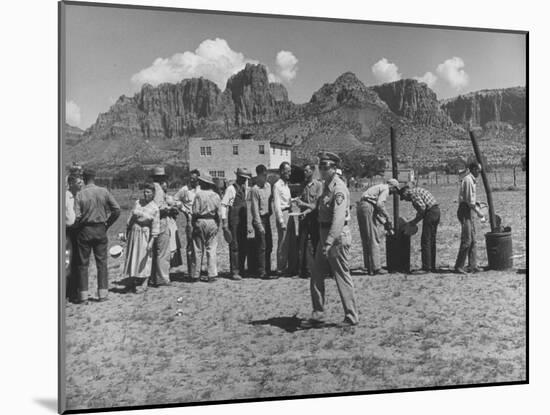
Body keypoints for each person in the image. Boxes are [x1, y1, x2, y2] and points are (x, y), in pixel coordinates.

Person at [306, 152, 359, 327]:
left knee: (341, 276)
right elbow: (320, 207)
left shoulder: (339, 188)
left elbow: (338, 218)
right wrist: (307, 207)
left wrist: (328, 242)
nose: (322, 170)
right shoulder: (325, 186)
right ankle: (318, 313)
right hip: (325, 235)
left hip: (335, 237)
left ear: (334, 168)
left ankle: (351, 316)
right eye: (320, 166)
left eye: (326, 166)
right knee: (316, 274)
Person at [74, 168, 121, 304]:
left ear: (83, 178)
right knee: (102, 263)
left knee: (83, 265)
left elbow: (77, 217)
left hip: (85, 231)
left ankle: (83, 297)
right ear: (95, 177)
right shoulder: (103, 191)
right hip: (101, 229)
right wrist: (107, 224)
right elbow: (117, 210)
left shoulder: (80, 195)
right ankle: (103, 294)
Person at [356, 178, 400, 275]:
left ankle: (369, 266)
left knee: (366, 238)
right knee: (373, 237)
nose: (394, 193)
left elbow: (375, 212)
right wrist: (388, 217)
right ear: (392, 187)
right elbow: (380, 205)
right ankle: (376, 268)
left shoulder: (377, 188)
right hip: (367, 207)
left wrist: (384, 222)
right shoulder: (385, 189)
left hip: (361, 207)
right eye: (395, 190)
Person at [123, 183, 160, 292]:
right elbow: (130, 218)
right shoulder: (138, 203)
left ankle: (144, 282)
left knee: (145, 257)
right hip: (134, 233)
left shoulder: (155, 208)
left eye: (148, 192)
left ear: (153, 194)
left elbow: (155, 226)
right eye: (144, 191)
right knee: (133, 255)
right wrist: (127, 231)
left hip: (145, 234)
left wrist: (151, 241)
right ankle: (133, 279)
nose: (145, 194)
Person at [400, 185, 440, 273]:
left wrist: (414, 222)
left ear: (405, 192)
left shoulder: (413, 194)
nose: (406, 200)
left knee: (425, 240)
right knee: (431, 240)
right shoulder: (417, 191)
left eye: (404, 197)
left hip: (430, 213)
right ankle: (431, 265)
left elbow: (422, 209)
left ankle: (426, 267)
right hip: (436, 211)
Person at [221, 168, 252, 280]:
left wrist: (247, 224)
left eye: (245, 179)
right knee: (235, 246)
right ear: (238, 177)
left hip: (242, 221)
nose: (244, 181)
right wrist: (224, 223)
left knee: (243, 245)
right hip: (234, 221)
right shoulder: (230, 189)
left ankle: (242, 269)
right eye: (243, 178)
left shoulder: (244, 189)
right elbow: (224, 205)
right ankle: (234, 271)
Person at [455, 162, 485, 274]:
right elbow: (468, 200)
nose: (479, 173)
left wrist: (476, 206)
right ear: (473, 169)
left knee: (473, 239)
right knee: (467, 240)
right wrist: (479, 212)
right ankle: (459, 266)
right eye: (478, 170)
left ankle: (473, 265)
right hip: (465, 210)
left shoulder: (472, 180)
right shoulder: (468, 180)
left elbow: (471, 200)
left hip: (469, 210)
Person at [191, 173, 221, 282]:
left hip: (200, 220)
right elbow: (219, 213)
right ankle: (212, 274)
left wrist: (193, 222)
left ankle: (195, 274)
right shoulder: (216, 195)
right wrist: (218, 224)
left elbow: (195, 211)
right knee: (211, 248)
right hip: (212, 221)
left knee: (197, 249)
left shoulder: (199, 195)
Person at [295, 163, 322, 279]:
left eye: (306, 171)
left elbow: (315, 205)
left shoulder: (318, 185)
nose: (305, 173)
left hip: (314, 219)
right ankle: (303, 270)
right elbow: (301, 199)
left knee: (316, 243)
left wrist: (303, 205)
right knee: (303, 244)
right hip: (303, 218)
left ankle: (317, 269)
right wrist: (298, 202)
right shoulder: (303, 185)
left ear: (312, 171)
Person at [175, 169, 200, 276]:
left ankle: (199, 269)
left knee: (200, 245)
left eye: (195, 179)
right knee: (190, 245)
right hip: (190, 219)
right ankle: (191, 271)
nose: (192, 181)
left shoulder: (201, 189)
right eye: (191, 179)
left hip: (201, 219)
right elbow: (175, 200)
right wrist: (184, 210)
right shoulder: (185, 189)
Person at [250, 164, 274, 279]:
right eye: (263, 175)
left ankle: (268, 269)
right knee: (262, 246)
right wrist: (260, 226)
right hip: (259, 219)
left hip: (267, 219)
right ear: (258, 175)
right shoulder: (254, 189)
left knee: (269, 245)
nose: (265, 178)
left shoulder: (268, 186)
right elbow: (254, 209)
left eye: (266, 175)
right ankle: (262, 271)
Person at [149, 167, 172, 287]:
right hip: (160, 221)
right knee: (162, 251)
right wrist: (169, 209)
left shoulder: (151, 187)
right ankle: (162, 278)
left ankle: (153, 277)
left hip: (152, 223)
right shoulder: (158, 189)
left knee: (154, 251)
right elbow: (157, 208)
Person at [273, 161, 292, 277]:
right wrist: (281, 221)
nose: (289, 173)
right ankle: (280, 267)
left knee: (290, 242)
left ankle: (288, 266)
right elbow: (277, 205)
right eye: (287, 171)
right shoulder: (277, 186)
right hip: (283, 214)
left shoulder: (286, 185)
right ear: (282, 171)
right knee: (283, 242)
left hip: (289, 212)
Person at [65, 173, 83, 302]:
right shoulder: (65, 196)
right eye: (78, 182)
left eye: (82, 182)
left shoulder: (80, 196)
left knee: (77, 260)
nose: (81, 184)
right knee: (68, 261)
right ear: (71, 183)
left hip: (78, 230)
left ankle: (75, 290)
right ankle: (69, 291)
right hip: (68, 231)